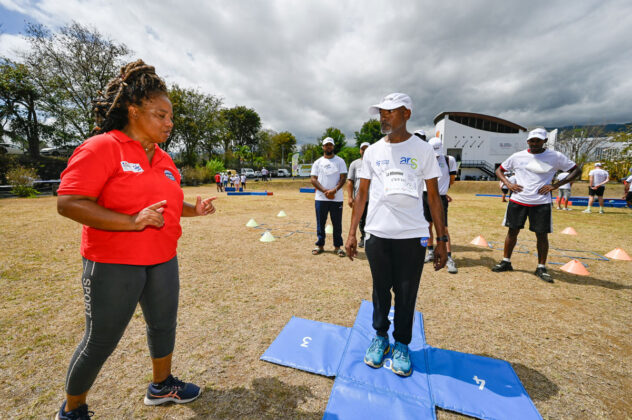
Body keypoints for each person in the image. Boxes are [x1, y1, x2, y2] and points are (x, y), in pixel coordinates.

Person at [54, 60, 216, 419]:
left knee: (163, 325)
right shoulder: (102, 147)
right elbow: (69, 202)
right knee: (100, 340)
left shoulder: (165, 159)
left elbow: (169, 204)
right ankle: (73, 409)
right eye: (161, 115)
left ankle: (161, 386)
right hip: (113, 263)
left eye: (171, 117)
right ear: (133, 110)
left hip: (162, 259)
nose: (169, 123)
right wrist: (131, 221)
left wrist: (196, 209)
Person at [345, 93, 447, 377]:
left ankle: (402, 343)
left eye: (390, 112)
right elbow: (361, 195)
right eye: (381, 112)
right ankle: (380, 337)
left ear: (407, 114)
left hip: (413, 235)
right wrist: (351, 233)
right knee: (380, 289)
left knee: (406, 292)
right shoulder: (372, 151)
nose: (383, 117)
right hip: (377, 233)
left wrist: (441, 239)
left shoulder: (423, 150)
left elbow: (434, 197)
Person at [492, 128, 581, 283]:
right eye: (531, 141)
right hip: (518, 200)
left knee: (541, 235)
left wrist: (556, 185)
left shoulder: (555, 156)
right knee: (512, 232)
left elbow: (576, 170)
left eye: (538, 141)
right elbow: (499, 169)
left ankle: (541, 267)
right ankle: (506, 261)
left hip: (541, 202)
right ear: (528, 141)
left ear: (544, 141)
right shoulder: (517, 156)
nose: (534, 143)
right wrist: (508, 183)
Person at [422, 137, 458, 273]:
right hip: (425, 195)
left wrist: (442, 192)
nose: (435, 157)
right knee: (427, 226)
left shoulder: (449, 160)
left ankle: (448, 258)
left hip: (440, 197)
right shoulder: (423, 159)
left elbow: (451, 180)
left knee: (444, 228)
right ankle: (430, 251)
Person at [310, 137, 348, 256]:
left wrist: (334, 190)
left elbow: (343, 178)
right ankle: (320, 245)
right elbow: (313, 179)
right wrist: (326, 191)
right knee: (320, 223)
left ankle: (337, 247)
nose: (328, 147)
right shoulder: (318, 162)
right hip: (321, 198)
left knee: (337, 223)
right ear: (323, 147)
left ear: (333, 146)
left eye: (330, 145)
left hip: (337, 198)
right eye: (326, 145)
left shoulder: (340, 161)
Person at [346, 142, 371, 247]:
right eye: (363, 149)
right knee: (361, 219)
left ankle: (370, 239)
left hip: (373, 198)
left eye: (367, 149)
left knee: (372, 219)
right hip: (359, 198)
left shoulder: (375, 162)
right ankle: (363, 238)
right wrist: (350, 197)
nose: (365, 151)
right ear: (360, 151)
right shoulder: (354, 164)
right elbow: (350, 181)